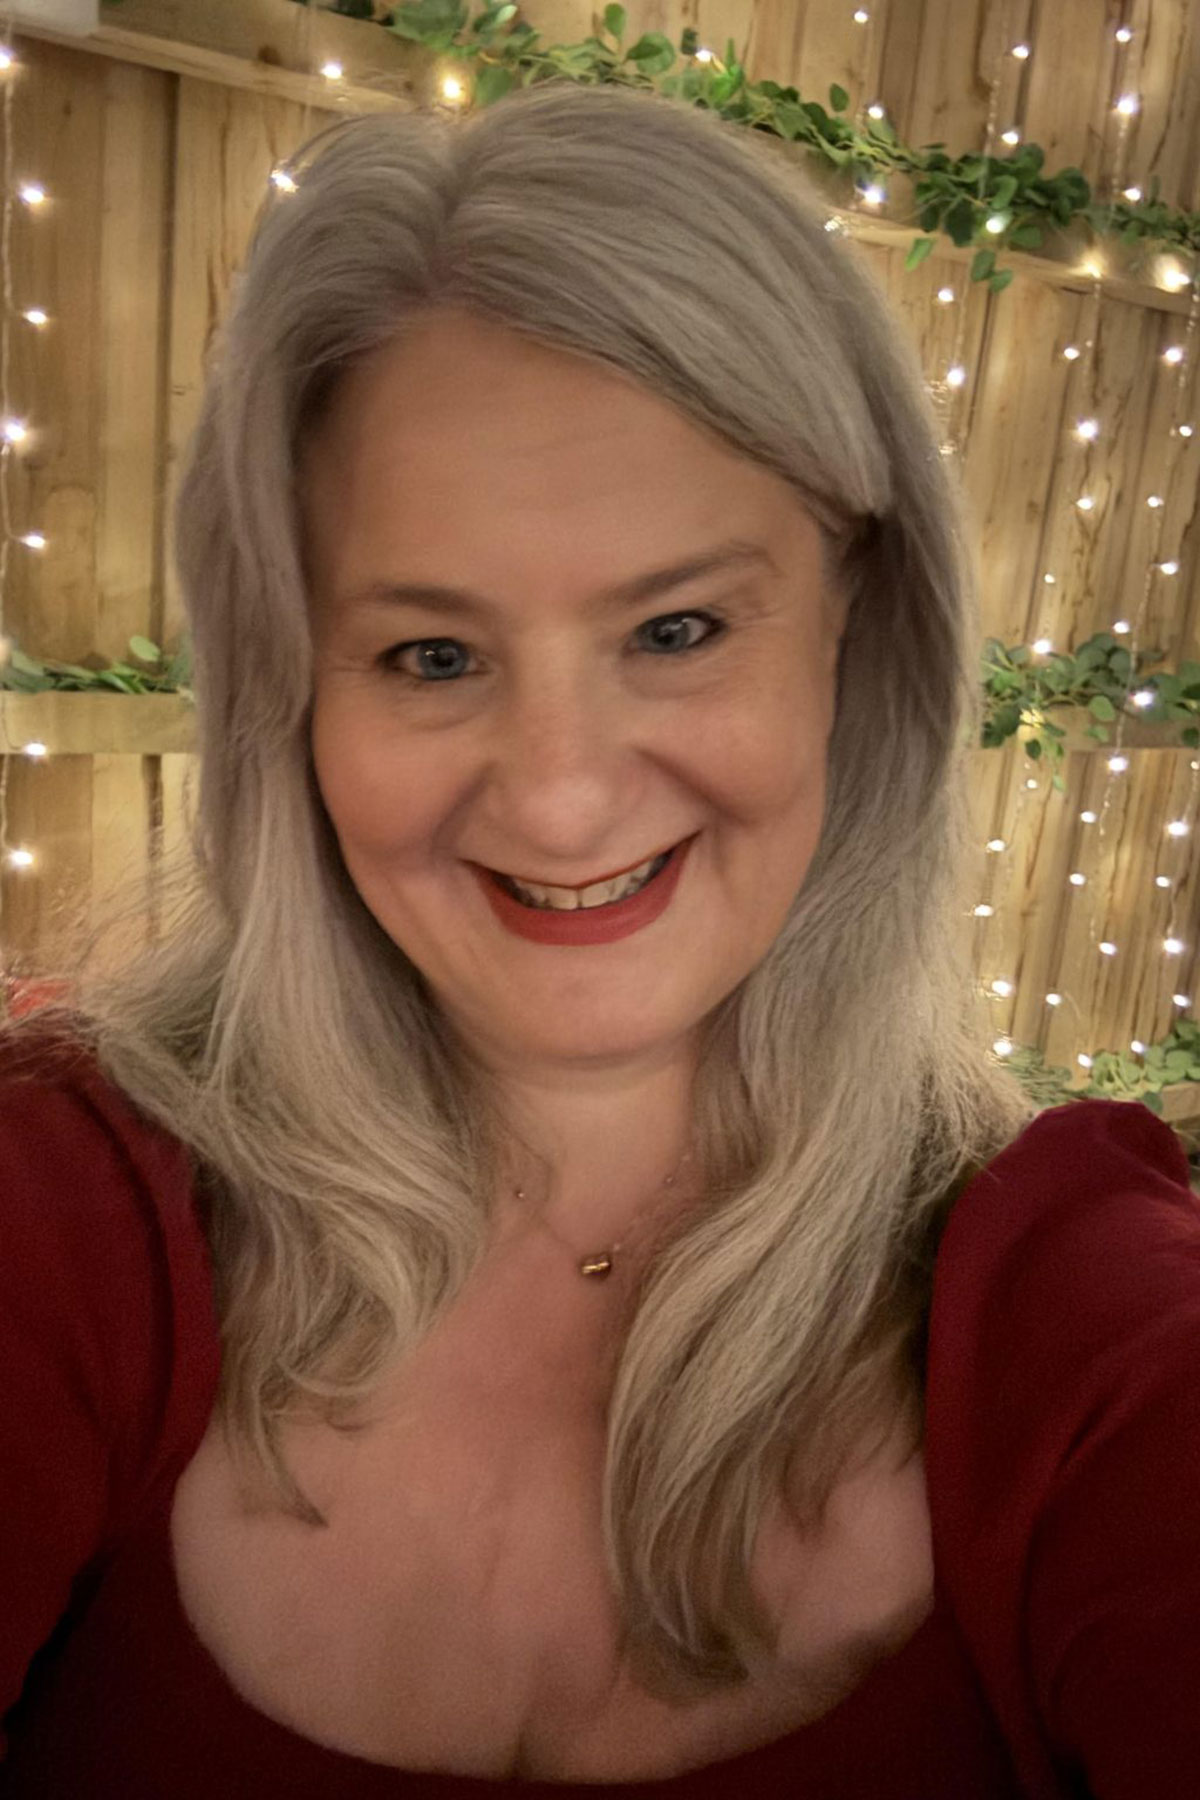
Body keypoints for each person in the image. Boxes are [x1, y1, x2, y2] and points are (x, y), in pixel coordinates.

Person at [1, 78, 1197, 1799]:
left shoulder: (1090, 1337)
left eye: (679, 626)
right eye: (431, 655)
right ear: (289, 686)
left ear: (859, 632)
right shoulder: (65, 1213)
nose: (559, 803)